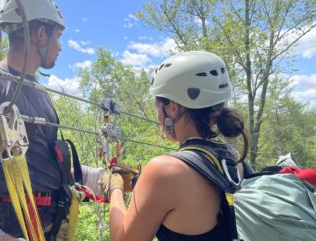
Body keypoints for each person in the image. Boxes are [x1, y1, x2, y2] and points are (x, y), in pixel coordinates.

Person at [0, 0, 102, 240]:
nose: (61, 46)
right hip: (12, 226)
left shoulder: (37, 90)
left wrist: (97, 178)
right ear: (41, 34)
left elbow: (44, 164)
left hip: (51, 225)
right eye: (58, 36)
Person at [100, 51, 249, 241]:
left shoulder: (164, 171)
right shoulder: (233, 159)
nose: (158, 115)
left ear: (172, 106)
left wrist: (115, 188)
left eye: (157, 105)